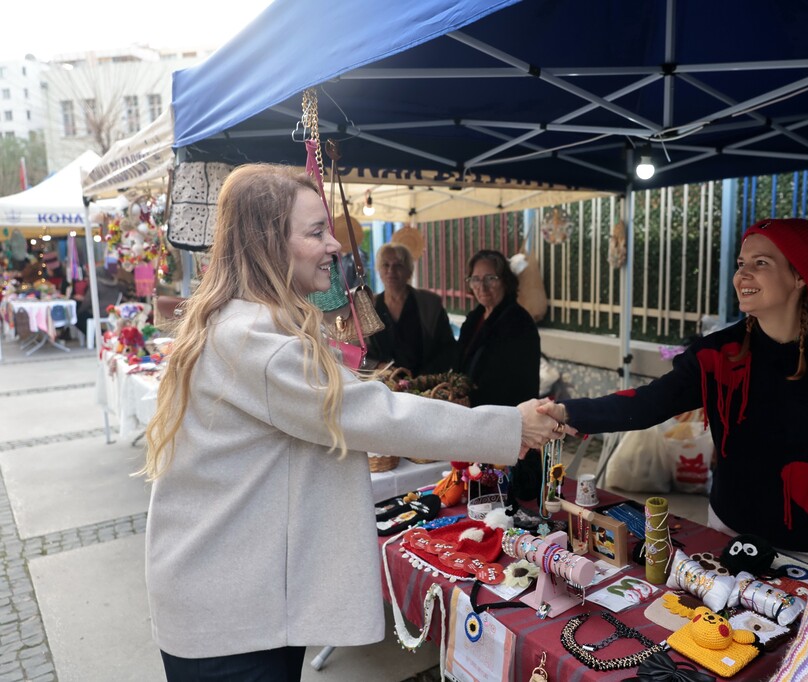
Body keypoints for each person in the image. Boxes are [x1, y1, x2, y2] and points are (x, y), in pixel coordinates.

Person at [142, 164, 565, 681]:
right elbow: (375, 414)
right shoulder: (255, 340)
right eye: (316, 232)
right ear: (269, 243)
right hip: (228, 614)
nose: (334, 245)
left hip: (230, 597)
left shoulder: (245, 324)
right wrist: (510, 427)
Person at [541, 218, 808, 569]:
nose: (743, 274)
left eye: (761, 263)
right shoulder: (718, 354)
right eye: (741, 264)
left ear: (800, 276)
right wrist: (564, 412)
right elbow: (648, 403)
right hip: (728, 534)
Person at [457, 249, 543, 502]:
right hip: (476, 423)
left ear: (505, 280)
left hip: (506, 428)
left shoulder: (518, 322)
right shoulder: (475, 318)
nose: (482, 286)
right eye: (475, 279)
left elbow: (514, 382)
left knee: (503, 499)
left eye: (490, 278)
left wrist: (472, 398)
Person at [365, 243, 457, 375]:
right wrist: (379, 366)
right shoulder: (368, 308)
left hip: (423, 383)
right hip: (381, 382)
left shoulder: (430, 305)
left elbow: (448, 349)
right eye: (386, 265)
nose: (391, 271)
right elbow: (357, 354)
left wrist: (423, 379)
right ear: (378, 270)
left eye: (398, 265)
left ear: (409, 271)